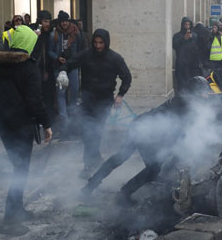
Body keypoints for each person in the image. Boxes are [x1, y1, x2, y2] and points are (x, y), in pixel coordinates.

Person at [81, 77, 211, 206]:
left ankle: (90, 186)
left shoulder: (186, 101)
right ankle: (124, 194)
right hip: (145, 131)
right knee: (152, 168)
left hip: (140, 125)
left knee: (122, 157)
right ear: (196, 92)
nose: (207, 96)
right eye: (204, 92)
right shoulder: (185, 104)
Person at [0, 25, 52, 235]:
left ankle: (18, 209)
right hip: (22, 126)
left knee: (20, 167)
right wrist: (47, 124)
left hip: (5, 125)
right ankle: (10, 219)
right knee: (20, 169)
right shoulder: (29, 67)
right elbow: (35, 100)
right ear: (29, 43)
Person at [60, 28, 132, 178]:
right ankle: (94, 160)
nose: (98, 46)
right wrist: (62, 72)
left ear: (106, 42)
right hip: (87, 100)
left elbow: (127, 77)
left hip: (104, 101)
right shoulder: (86, 55)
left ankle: (90, 164)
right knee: (87, 132)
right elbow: (70, 63)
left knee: (95, 132)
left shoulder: (115, 58)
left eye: (101, 43)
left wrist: (120, 95)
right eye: (95, 42)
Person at [49, 11, 82, 132]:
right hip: (59, 66)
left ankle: (72, 115)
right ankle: (64, 120)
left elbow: (80, 49)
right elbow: (50, 51)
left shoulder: (76, 33)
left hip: (73, 66)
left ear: (69, 21)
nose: (64, 23)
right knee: (61, 92)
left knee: (75, 89)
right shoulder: (54, 34)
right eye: (62, 21)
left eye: (66, 21)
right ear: (59, 22)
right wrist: (57, 58)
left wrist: (77, 61)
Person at [172, 16, 202, 91]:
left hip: (192, 65)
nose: (187, 26)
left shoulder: (195, 36)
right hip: (181, 65)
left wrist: (191, 39)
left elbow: (197, 49)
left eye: (189, 24)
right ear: (182, 25)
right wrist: (184, 39)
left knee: (192, 86)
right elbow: (175, 46)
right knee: (182, 85)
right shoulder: (177, 36)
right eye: (185, 24)